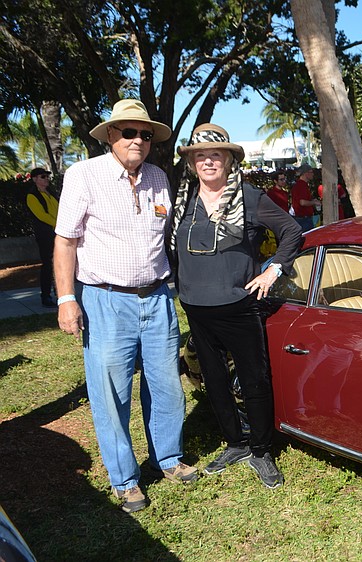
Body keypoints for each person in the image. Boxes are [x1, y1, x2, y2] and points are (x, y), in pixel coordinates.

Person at [54, 99, 197, 514]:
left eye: (145, 134)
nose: (138, 140)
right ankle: (125, 478)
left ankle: (168, 458)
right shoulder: (84, 175)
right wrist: (67, 300)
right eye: (129, 132)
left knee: (166, 383)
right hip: (105, 300)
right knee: (110, 392)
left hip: (157, 297)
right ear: (111, 136)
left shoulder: (158, 177)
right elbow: (65, 241)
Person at [171, 124, 303, 489]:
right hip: (195, 306)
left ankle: (261, 449)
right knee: (213, 380)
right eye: (200, 156)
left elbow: (292, 231)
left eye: (216, 155)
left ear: (229, 161)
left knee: (254, 379)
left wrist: (271, 271)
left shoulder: (250, 197)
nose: (208, 162)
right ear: (192, 162)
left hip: (239, 305)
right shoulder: (183, 200)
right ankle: (235, 442)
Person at [25, 167, 59, 307]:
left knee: (59, 264)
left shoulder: (51, 193)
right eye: (43, 176)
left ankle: (61, 293)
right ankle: (46, 295)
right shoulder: (32, 196)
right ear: (34, 179)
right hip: (46, 234)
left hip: (58, 233)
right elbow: (41, 215)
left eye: (47, 177)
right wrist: (58, 224)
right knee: (47, 264)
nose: (46, 179)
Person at [290, 163, 320, 232]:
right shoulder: (301, 185)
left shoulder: (301, 185)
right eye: (311, 172)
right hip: (303, 219)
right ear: (306, 173)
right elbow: (302, 202)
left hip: (302, 219)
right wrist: (314, 202)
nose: (313, 174)